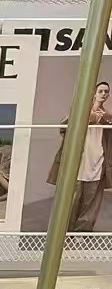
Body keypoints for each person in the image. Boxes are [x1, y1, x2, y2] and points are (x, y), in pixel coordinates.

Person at [48, 81, 112, 232]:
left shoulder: (108, 116)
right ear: (94, 93)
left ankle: (82, 233)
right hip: (79, 164)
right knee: (71, 200)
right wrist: (90, 118)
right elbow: (64, 126)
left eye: (106, 92)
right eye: (101, 91)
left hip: (98, 164)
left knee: (91, 203)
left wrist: (105, 119)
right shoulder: (80, 111)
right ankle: (65, 233)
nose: (104, 94)